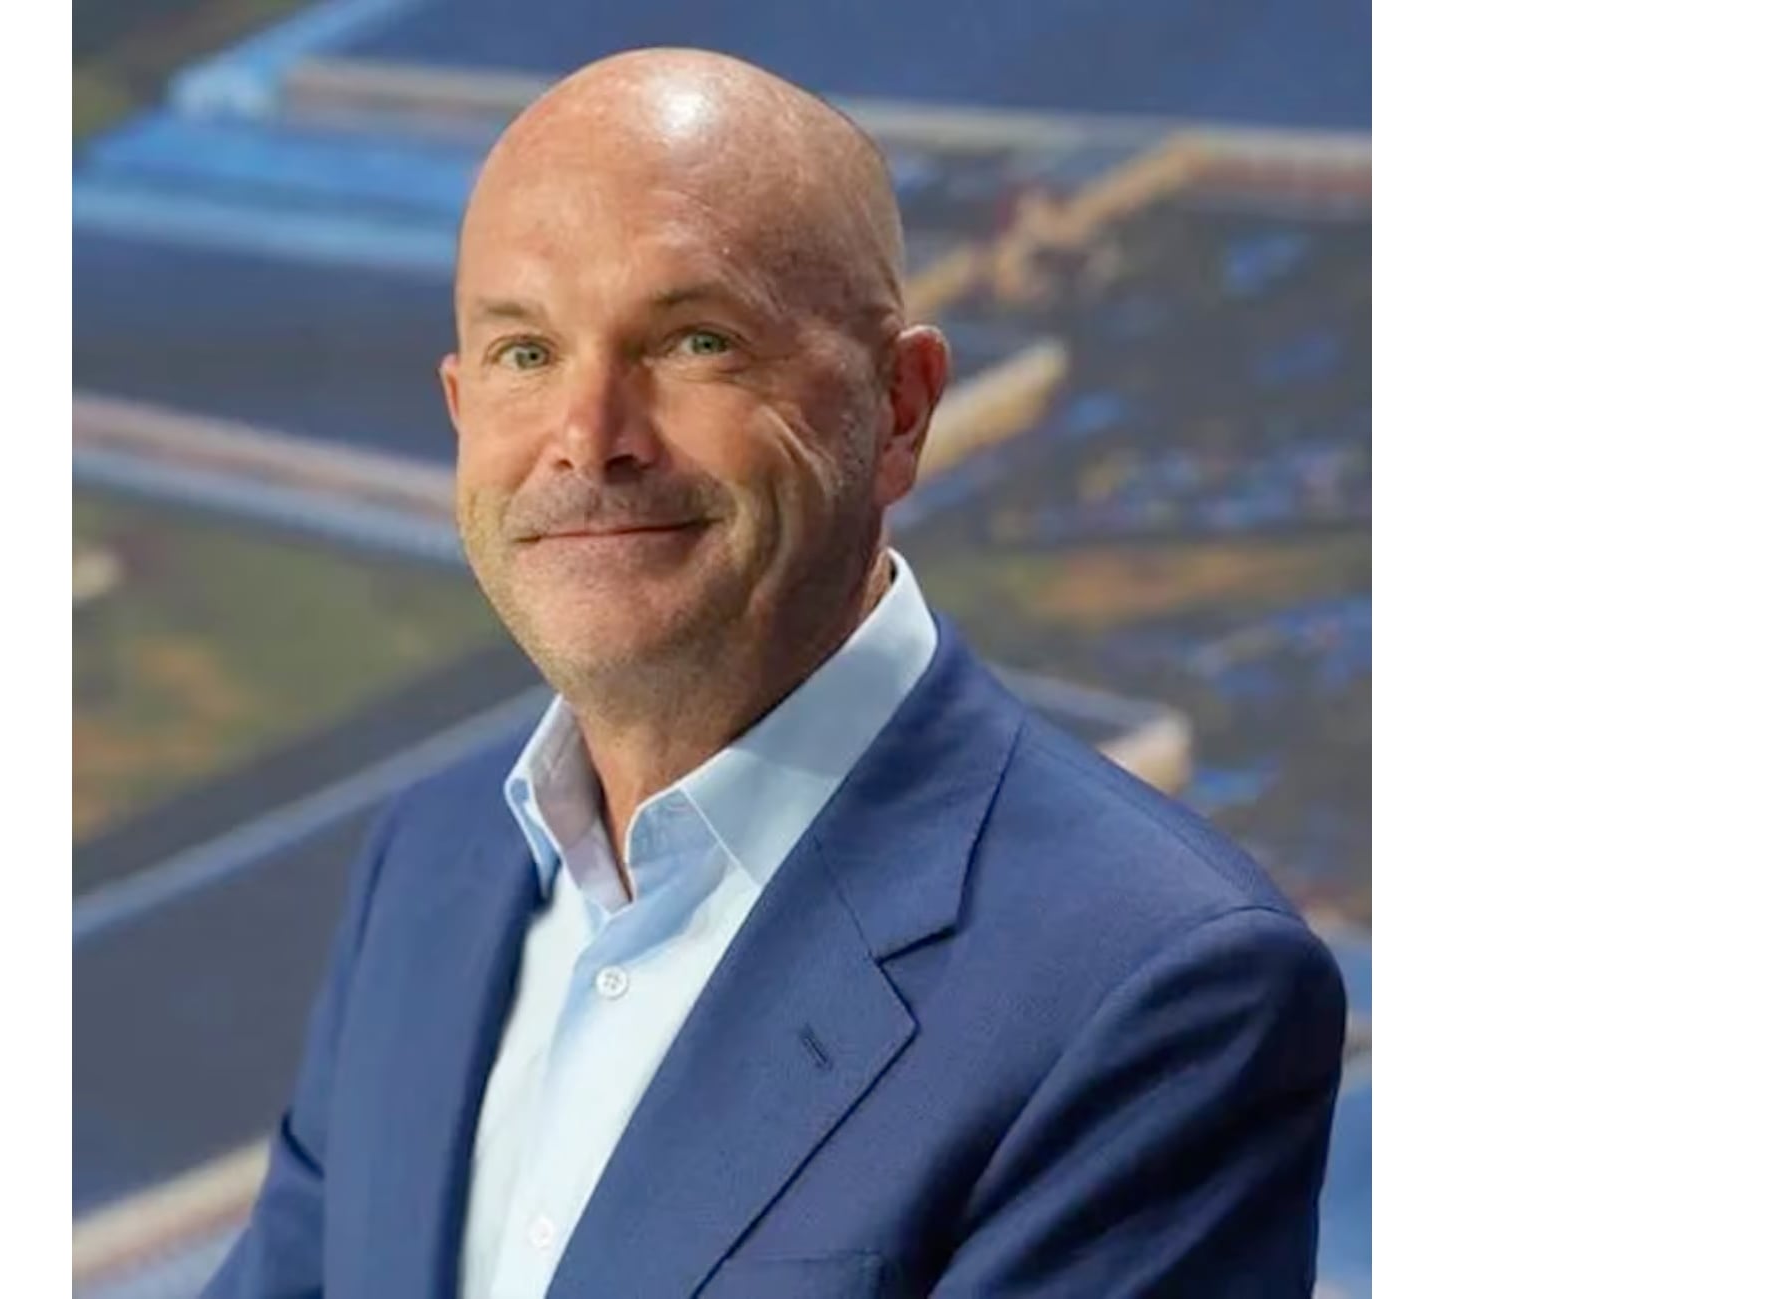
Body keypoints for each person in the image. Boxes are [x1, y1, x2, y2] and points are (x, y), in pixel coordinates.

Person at [205, 48, 1345, 1299]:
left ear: (898, 409)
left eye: (696, 340)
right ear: (457, 403)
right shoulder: (430, 862)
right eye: (525, 355)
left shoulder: (1160, 985)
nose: (589, 439)